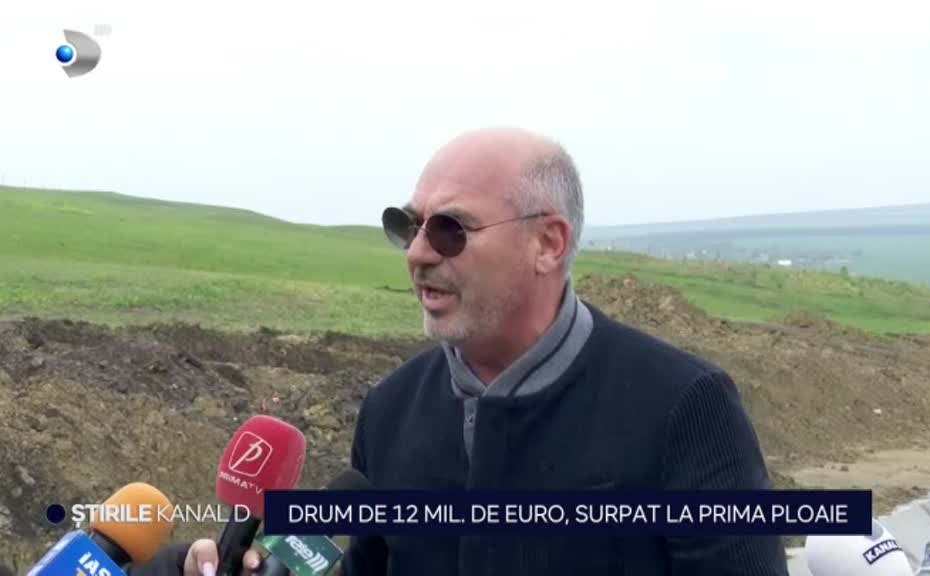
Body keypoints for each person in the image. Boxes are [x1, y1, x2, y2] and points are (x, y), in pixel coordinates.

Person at [139, 127, 788, 575]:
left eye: (451, 229)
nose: (418, 252)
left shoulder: (684, 408)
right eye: (407, 225)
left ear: (548, 244)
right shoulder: (390, 411)